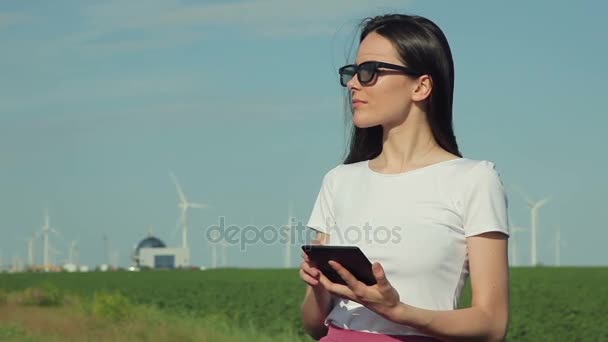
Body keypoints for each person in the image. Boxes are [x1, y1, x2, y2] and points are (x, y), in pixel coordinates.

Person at [299, 14, 510, 342]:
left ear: (421, 86)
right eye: (353, 72)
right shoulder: (338, 181)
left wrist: (398, 311)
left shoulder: (474, 180)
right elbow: (314, 325)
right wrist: (318, 287)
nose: (354, 83)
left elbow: (492, 323)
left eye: (370, 72)